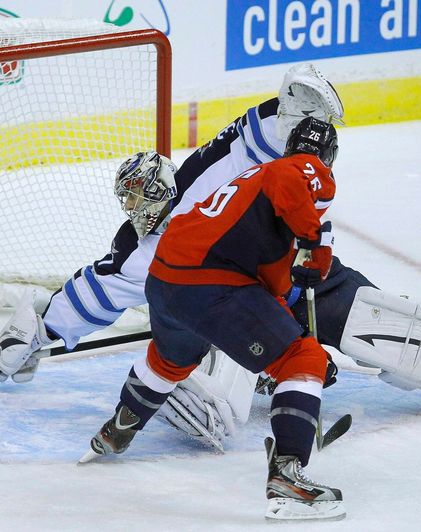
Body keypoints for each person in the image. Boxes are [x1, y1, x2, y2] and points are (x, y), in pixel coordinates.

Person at [0, 63, 421, 448]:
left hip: (293, 276)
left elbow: (250, 143)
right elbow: (98, 290)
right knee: (212, 388)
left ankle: (265, 370)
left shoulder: (200, 179)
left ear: (166, 181)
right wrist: (41, 328)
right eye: (132, 201)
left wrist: (292, 115)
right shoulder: (136, 249)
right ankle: (251, 378)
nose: (140, 206)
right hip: (231, 304)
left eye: (148, 192)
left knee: (393, 335)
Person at [82, 117, 345, 521]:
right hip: (209, 284)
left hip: (166, 279)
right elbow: (293, 181)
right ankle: (288, 478)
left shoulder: (250, 179)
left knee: (170, 361)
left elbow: (265, 285)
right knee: (302, 360)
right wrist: (314, 246)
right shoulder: (301, 168)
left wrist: (283, 321)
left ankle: (118, 428)